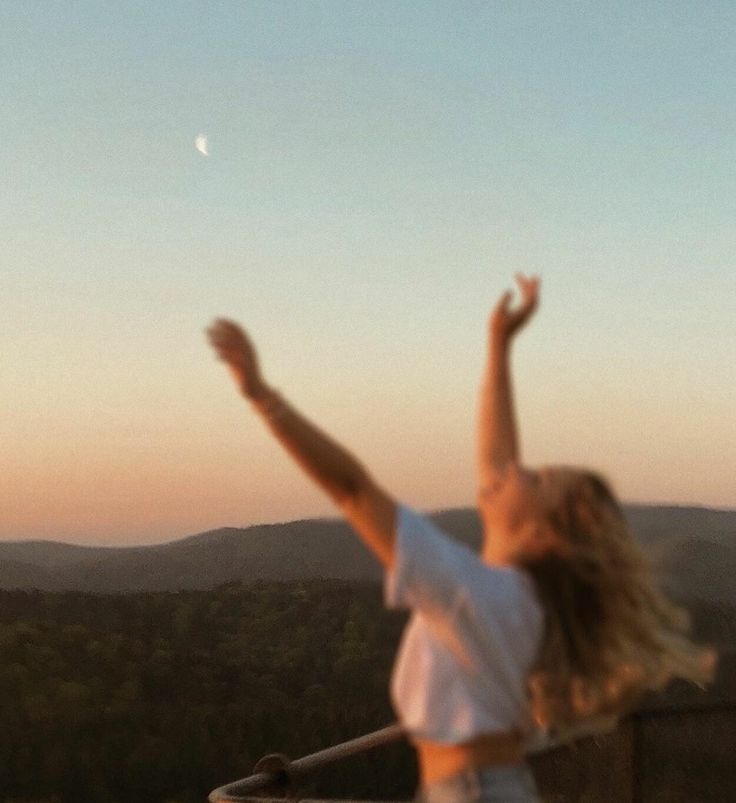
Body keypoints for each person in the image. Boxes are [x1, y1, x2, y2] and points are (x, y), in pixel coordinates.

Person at [206, 276, 713, 803]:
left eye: (536, 479)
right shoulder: (517, 598)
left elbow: (353, 490)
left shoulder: (471, 590)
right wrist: (498, 347)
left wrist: (263, 398)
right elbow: (496, 464)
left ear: (541, 535)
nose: (515, 472)